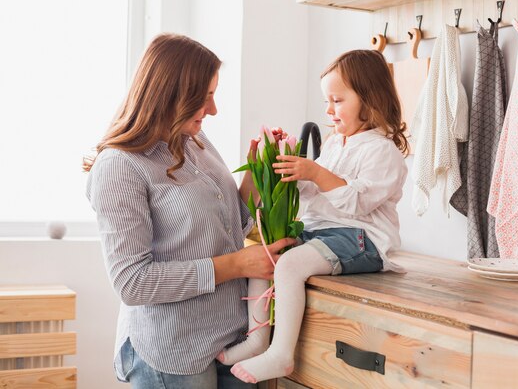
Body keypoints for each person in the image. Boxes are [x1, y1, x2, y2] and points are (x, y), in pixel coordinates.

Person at [84, 33, 295, 388]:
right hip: (174, 351)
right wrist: (239, 265)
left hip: (234, 339)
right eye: (206, 96)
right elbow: (132, 283)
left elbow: (228, 228)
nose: (213, 109)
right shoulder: (120, 167)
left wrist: (257, 172)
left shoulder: (196, 141)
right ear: (171, 93)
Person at [219, 49, 409, 383]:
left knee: (291, 265)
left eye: (337, 100)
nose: (329, 110)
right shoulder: (338, 144)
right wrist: (292, 170)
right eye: (327, 102)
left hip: (363, 239)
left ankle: (281, 354)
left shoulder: (383, 151)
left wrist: (316, 173)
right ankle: (258, 337)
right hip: (327, 234)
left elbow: (357, 202)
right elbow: (316, 195)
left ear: (370, 99)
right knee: (267, 253)